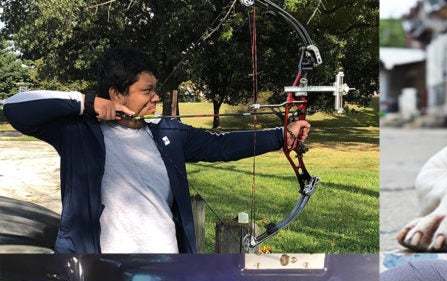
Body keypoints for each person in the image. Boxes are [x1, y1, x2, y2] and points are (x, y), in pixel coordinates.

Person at [2, 47, 310, 254]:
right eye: (146, 90)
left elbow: (221, 146)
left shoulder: (167, 133)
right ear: (116, 93)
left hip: (165, 265)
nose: (155, 97)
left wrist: (282, 135)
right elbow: (14, 108)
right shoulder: (78, 132)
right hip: (100, 271)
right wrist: (86, 102)